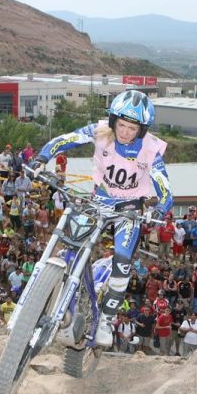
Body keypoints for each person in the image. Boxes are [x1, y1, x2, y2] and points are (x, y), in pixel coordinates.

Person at [32, 90, 173, 347]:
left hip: (129, 209)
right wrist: (42, 158)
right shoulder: (101, 132)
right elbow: (66, 139)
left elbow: (164, 187)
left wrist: (159, 209)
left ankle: (107, 320)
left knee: (122, 259)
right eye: (121, 125)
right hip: (98, 201)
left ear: (142, 130)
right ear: (113, 121)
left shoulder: (151, 149)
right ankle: (60, 299)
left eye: (132, 128)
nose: (125, 132)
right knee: (71, 244)